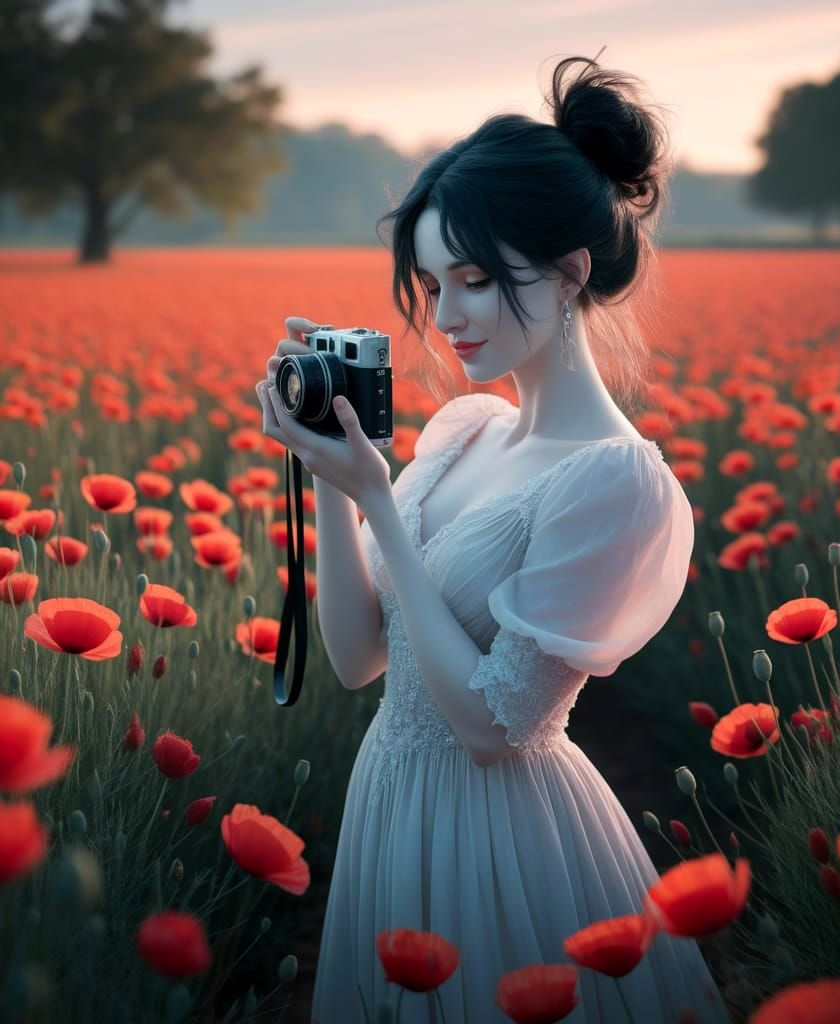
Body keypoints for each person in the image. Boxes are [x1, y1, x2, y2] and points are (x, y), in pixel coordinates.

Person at [259, 52, 731, 1024]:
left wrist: (380, 504)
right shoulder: (464, 429)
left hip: (504, 839)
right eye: (433, 285)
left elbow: (490, 727)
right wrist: (338, 488)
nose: (449, 316)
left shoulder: (613, 479)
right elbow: (354, 660)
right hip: (388, 802)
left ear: (569, 273)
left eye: (474, 278)